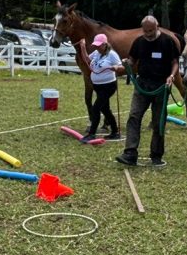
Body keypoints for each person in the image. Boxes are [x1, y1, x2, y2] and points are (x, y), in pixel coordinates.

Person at [116, 15, 180, 168]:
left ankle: (156, 155)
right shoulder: (139, 42)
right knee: (134, 116)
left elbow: (175, 62)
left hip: (161, 86)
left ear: (157, 26)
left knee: (158, 121)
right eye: (145, 31)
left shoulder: (167, 41)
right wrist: (126, 64)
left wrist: (171, 76)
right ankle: (130, 153)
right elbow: (132, 60)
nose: (148, 34)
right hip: (142, 84)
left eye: (151, 31)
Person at [76, 33, 123, 142]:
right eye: (96, 45)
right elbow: (87, 60)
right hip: (98, 86)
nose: (97, 47)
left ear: (105, 44)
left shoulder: (112, 54)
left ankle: (92, 133)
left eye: (99, 45)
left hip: (108, 86)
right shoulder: (97, 53)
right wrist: (83, 48)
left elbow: (121, 67)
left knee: (96, 108)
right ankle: (115, 131)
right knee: (104, 109)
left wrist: (115, 67)